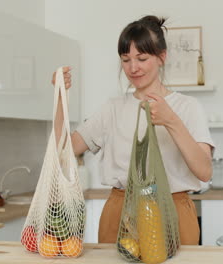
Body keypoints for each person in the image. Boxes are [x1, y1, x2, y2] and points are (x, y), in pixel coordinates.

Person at [52, 15, 214, 245]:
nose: (133, 68)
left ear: (161, 57)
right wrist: (60, 97)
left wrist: (171, 121)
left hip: (174, 212)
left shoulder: (187, 108)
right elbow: (64, 151)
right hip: (121, 213)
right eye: (126, 59)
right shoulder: (112, 109)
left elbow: (205, 171)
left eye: (142, 58)